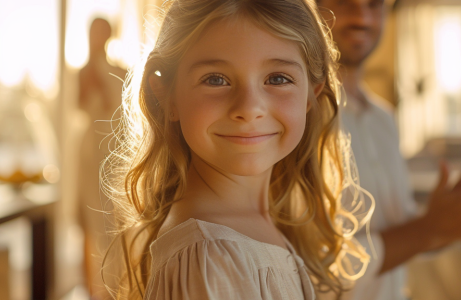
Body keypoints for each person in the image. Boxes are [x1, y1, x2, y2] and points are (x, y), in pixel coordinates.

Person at [100, 0, 374, 299]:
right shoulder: (209, 256)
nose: (248, 108)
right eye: (216, 80)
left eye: (278, 78)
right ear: (166, 95)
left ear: (311, 95)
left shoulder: (252, 228)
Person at [316, 0, 461, 299]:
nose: (361, 16)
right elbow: (315, 263)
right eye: (344, 1)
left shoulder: (384, 119)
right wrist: (431, 228)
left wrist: (452, 224)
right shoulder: (300, 116)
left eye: (374, 4)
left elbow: (399, 230)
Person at [77, 17, 125, 300]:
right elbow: (80, 107)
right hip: (89, 153)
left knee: (112, 219)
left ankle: (115, 285)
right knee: (90, 219)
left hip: (112, 150)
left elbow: (117, 108)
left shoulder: (118, 69)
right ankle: (95, 289)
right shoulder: (83, 72)